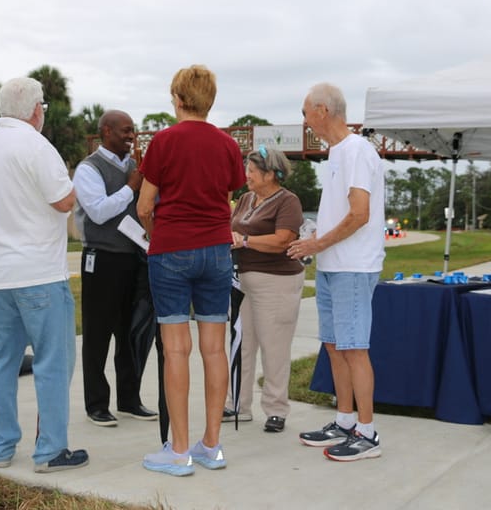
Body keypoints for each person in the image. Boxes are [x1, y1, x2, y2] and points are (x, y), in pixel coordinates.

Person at [0, 77, 87, 473]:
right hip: (38, 272)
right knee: (53, 362)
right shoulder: (36, 144)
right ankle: (50, 450)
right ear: (36, 109)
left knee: (1, 362)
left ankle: (0, 447)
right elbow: (63, 200)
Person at [137, 65, 246, 476]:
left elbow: (145, 205)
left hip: (172, 250)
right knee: (214, 348)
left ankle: (179, 450)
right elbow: (227, 195)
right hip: (217, 250)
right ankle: (211, 445)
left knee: (176, 349)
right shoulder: (227, 144)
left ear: (178, 99)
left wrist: (158, 231)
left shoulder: (163, 141)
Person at [287, 82, 386, 462]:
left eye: (304, 113)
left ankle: (367, 432)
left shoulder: (358, 150)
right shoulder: (336, 154)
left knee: (355, 349)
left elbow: (359, 214)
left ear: (322, 111)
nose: (305, 121)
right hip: (332, 264)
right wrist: (314, 235)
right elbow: (341, 213)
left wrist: (317, 244)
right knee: (335, 346)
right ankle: (345, 421)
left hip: (353, 266)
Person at [73, 109, 157, 427]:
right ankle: (96, 404)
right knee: (97, 334)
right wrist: (129, 188)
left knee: (129, 332)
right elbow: (97, 212)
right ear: (106, 132)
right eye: (124, 130)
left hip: (133, 258)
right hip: (102, 258)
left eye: (132, 130)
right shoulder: (88, 168)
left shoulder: (135, 167)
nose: (130, 135)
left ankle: (129, 400)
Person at [226, 145, 305, 434]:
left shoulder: (288, 201)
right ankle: (238, 404)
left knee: (274, 348)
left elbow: (283, 240)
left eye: (251, 170)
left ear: (271, 173)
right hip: (243, 281)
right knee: (241, 346)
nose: (246, 175)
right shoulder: (247, 198)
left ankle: (275, 409)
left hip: (277, 283)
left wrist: (244, 241)